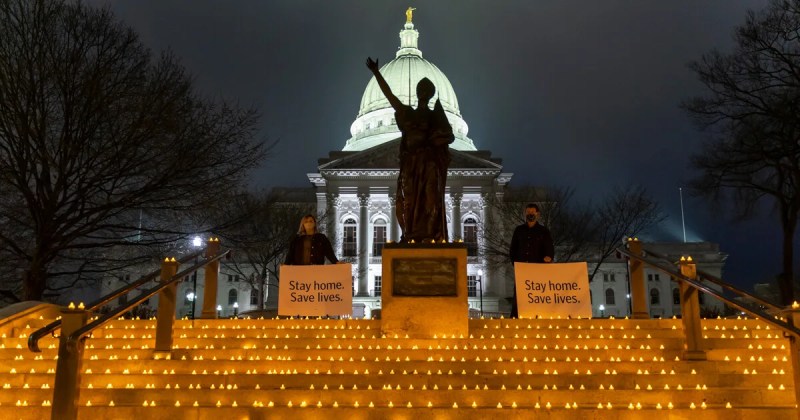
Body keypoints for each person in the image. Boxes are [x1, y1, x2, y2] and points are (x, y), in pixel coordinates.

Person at [366, 56, 454, 243]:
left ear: (430, 94)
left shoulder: (434, 117)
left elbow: (448, 136)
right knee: (410, 201)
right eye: (421, 89)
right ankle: (411, 233)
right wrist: (376, 73)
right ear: (417, 92)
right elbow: (389, 96)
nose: (423, 92)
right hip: (411, 164)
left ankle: (429, 235)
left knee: (430, 200)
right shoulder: (407, 113)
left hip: (428, 164)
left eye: (427, 90)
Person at [508, 203, 554, 318]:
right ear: (525, 214)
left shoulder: (544, 231)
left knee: (537, 295)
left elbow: (550, 249)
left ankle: (538, 316)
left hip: (537, 269)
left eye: (532, 212)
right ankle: (516, 318)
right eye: (528, 212)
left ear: (537, 214)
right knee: (519, 294)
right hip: (522, 269)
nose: (530, 214)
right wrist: (515, 263)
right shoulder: (519, 230)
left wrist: (548, 257)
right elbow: (513, 249)